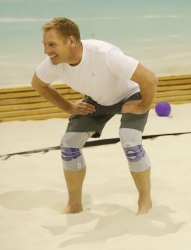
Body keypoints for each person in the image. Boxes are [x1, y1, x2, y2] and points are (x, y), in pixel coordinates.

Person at [31, 17, 158, 215]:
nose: (47, 51)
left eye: (52, 45)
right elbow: (38, 84)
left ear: (71, 41)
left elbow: (150, 78)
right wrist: (69, 108)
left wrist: (143, 106)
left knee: (130, 142)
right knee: (69, 144)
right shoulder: (53, 63)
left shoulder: (105, 55)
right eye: (45, 45)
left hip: (130, 96)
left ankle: (145, 200)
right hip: (98, 99)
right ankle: (74, 204)